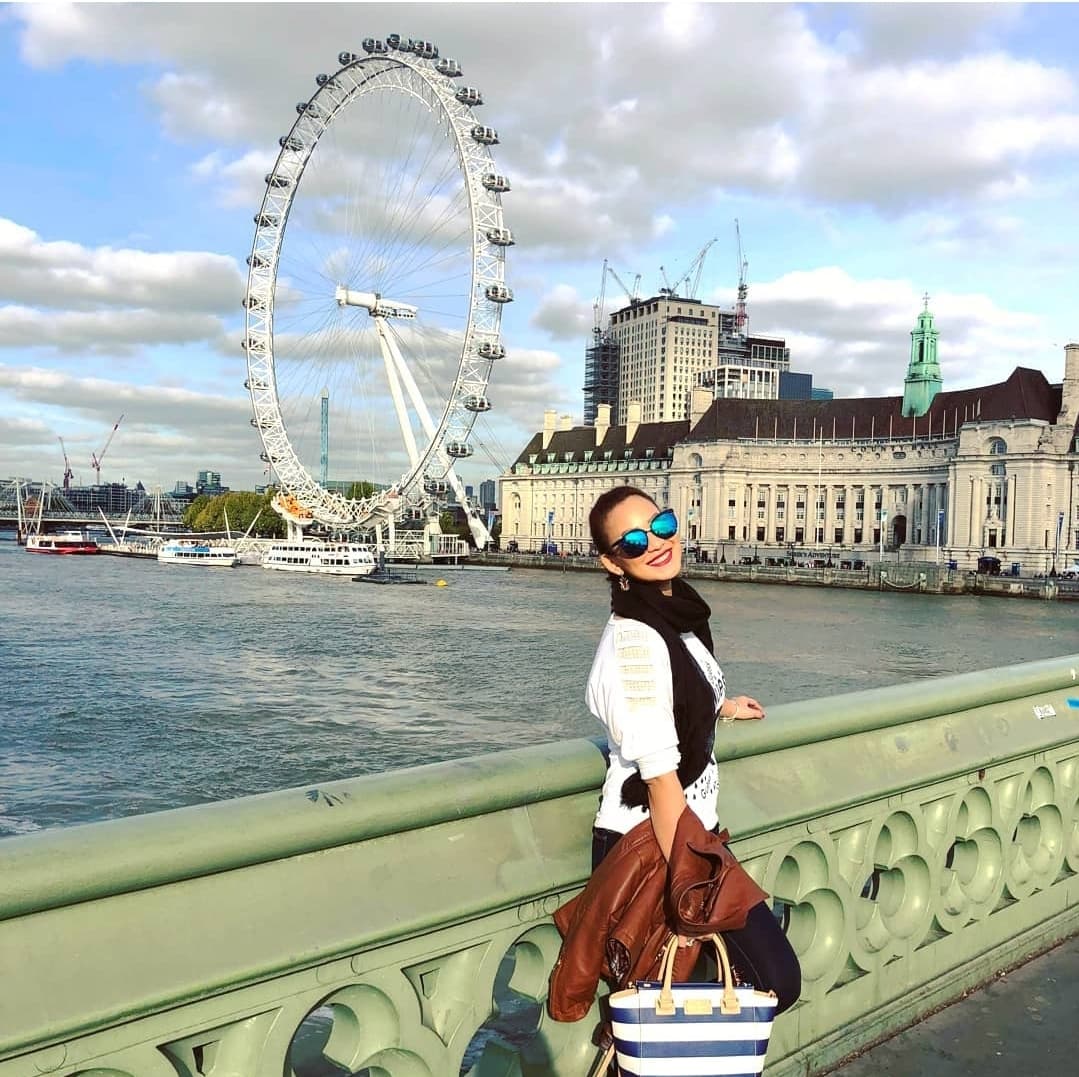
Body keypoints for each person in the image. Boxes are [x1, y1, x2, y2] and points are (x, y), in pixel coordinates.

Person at [585, 484, 801, 1013]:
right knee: (773, 980)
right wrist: (694, 888)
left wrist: (722, 707)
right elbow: (660, 779)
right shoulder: (635, 642)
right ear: (612, 562)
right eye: (634, 542)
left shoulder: (676, 617)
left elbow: (680, 696)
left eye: (661, 526)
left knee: (672, 998)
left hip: (690, 831)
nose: (657, 543)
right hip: (653, 843)